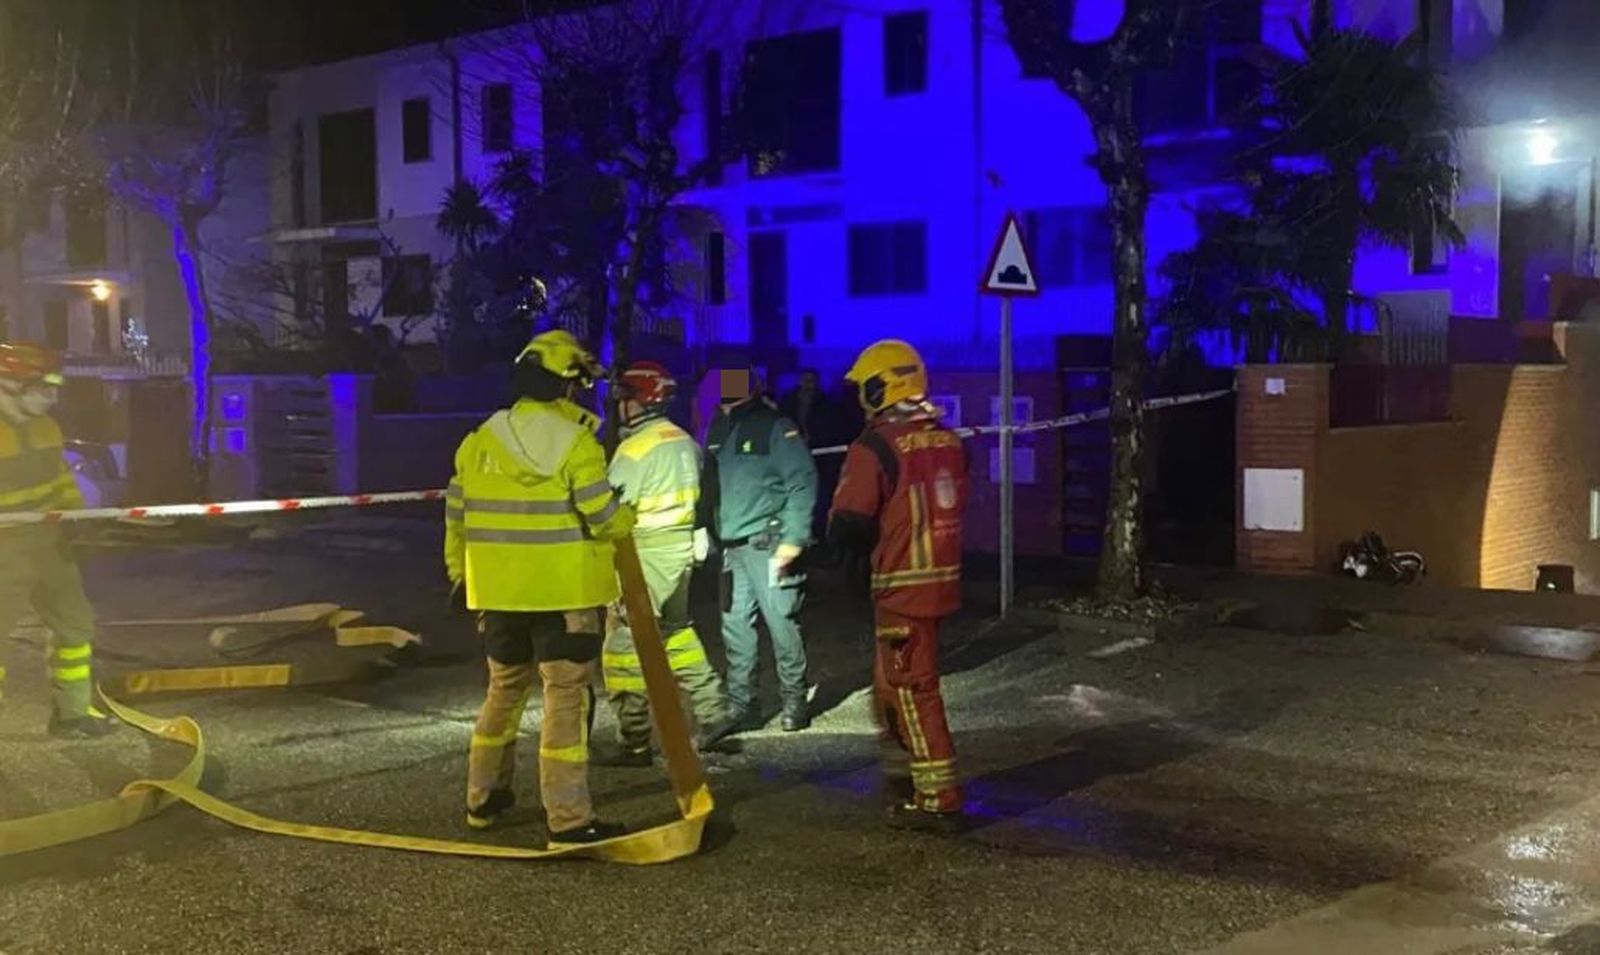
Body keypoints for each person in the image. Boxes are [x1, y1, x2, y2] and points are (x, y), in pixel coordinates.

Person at [445, 328, 636, 845]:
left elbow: (456, 518)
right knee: (565, 700)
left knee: (503, 692)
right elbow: (603, 517)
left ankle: (483, 800)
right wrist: (629, 516)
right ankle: (569, 820)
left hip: (498, 596)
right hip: (563, 596)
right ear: (567, 385)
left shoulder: (478, 440)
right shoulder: (577, 443)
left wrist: (460, 576)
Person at [828, 339, 968, 828]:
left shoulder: (875, 446)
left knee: (912, 689)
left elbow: (848, 520)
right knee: (890, 685)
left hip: (900, 585)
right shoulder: (948, 439)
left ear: (879, 388)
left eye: (863, 388)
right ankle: (904, 771)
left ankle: (938, 798)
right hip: (940, 579)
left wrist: (842, 558)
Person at [596, 361, 732, 765]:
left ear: (641, 402)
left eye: (625, 399)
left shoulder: (634, 451)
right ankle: (713, 712)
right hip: (680, 551)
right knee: (676, 631)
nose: (620, 407)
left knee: (624, 642)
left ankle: (634, 740)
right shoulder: (685, 441)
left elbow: (609, 510)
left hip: (643, 554)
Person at [0, 344, 116, 739]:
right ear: (9, 385)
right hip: (4, 549)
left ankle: (72, 713)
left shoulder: (47, 428)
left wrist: (75, 518)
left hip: (49, 544)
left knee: (75, 626)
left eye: (53, 387)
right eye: (41, 387)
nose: (50, 396)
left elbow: (60, 480)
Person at [705, 367, 818, 732]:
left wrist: (793, 539)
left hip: (769, 544)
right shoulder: (718, 427)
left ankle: (794, 701)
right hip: (731, 546)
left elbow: (802, 480)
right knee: (735, 628)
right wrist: (703, 528)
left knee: (782, 623)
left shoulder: (774, 426)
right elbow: (710, 483)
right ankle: (743, 706)